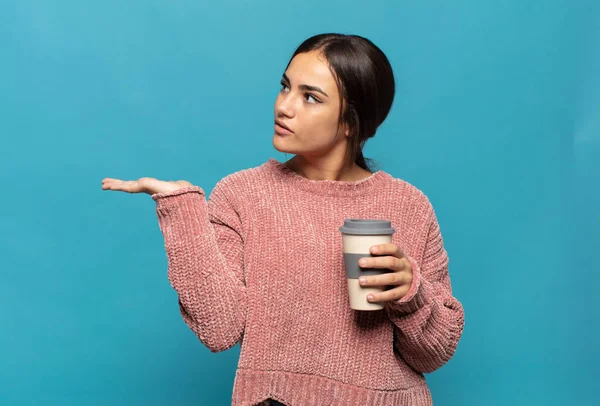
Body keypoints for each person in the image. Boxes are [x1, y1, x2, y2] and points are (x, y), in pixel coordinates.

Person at [102, 33, 465, 406]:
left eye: (310, 97)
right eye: (284, 87)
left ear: (350, 123)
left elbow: (433, 355)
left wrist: (411, 294)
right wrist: (180, 210)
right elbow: (220, 328)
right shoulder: (241, 194)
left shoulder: (409, 206)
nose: (284, 106)